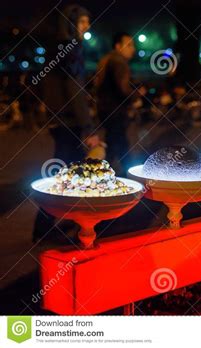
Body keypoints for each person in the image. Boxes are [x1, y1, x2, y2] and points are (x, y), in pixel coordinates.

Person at [33, 4, 99, 242]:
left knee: (66, 172)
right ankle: (46, 227)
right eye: (82, 22)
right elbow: (75, 91)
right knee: (67, 173)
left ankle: (53, 224)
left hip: (59, 120)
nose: (87, 26)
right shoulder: (70, 49)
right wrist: (88, 127)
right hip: (69, 122)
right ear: (71, 24)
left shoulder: (55, 48)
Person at [95, 32, 145, 173]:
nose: (133, 49)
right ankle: (128, 176)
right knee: (119, 144)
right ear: (118, 46)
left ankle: (105, 173)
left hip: (105, 109)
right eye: (129, 45)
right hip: (116, 111)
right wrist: (137, 95)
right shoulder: (119, 62)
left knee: (114, 144)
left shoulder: (107, 59)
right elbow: (123, 88)